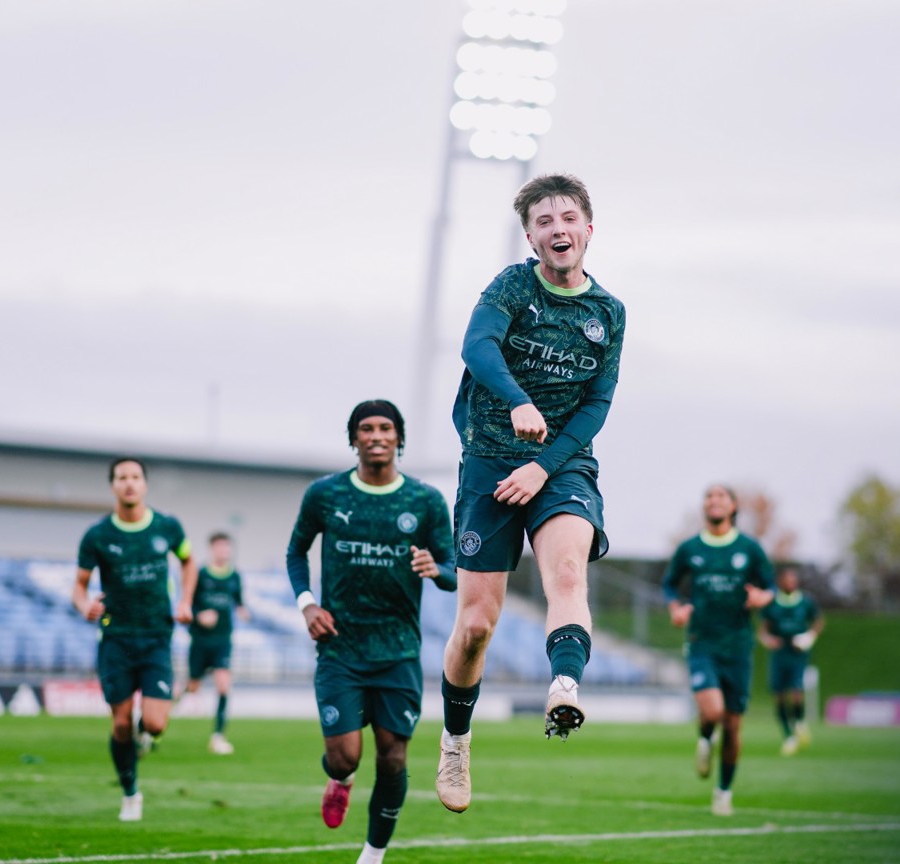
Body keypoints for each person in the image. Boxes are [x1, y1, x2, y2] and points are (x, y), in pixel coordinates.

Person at [437, 173, 627, 814]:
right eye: (544, 222)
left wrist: (545, 466)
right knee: (475, 627)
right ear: (531, 236)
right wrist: (517, 400)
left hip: (563, 465)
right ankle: (456, 742)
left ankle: (565, 686)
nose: (558, 230)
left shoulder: (609, 313)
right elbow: (476, 346)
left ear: (589, 229)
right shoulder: (512, 286)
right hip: (489, 460)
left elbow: (596, 405)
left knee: (568, 571)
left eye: (568, 218)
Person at [287, 400, 457, 864]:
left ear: (400, 438)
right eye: (366, 428)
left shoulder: (424, 501)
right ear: (354, 438)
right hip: (340, 647)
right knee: (345, 756)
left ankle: (373, 853)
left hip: (398, 650)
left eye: (386, 428)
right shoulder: (325, 494)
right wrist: (308, 604)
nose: (376, 435)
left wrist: (434, 568)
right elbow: (296, 553)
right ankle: (339, 780)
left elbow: (456, 571)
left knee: (393, 758)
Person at [72, 456, 197, 822]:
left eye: (135, 477)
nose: (129, 483)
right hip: (116, 639)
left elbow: (188, 562)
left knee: (156, 723)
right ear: (113, 485)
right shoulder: (98, 536)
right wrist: (84, 606)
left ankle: (146, 737)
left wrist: (186, 599)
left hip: (157, 636)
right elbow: (79, 586)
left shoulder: (168, 527)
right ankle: (130, 793)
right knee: (121, 722)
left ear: (145, 484)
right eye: (122, 477)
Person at [663, 485, 775, 816]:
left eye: (720, 497)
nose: (713, 501)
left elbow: (769, 586)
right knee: (712, 711)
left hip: (739, 646)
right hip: (702, 642)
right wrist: (676, 607)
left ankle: (723, 791)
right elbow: (670, 584)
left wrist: (762, 598)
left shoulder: (750, 548)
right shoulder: (690, 548)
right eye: (708, 497)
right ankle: (704, 737)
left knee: (734, 726)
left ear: (734, 506)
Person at [181, 531, 249, 755]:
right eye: (220, 547)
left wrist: (241, 609)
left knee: (223, 685)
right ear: (212, 549)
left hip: (222, 640)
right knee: (192, 687)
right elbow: (187, 605)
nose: (224, 551)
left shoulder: (235, 576)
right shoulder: (200, 574)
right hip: (200, 640)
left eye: (227, 547)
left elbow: (238, 600)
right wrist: (199, 615)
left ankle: (218, 736)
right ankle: (151, 722)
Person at [759, 564, 824, 755]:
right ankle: (788, 735)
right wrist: (767, 639)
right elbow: (763, 629)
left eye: (793, 580)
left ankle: (800, 723)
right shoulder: (772, 602)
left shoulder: (806, 601)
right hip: (779, 653)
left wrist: (809, 636)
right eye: (787, 580)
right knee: (778, 695)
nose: (790, 583)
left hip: (797, 652)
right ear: (780, 582)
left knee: (796, 691)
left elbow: (818, 621)